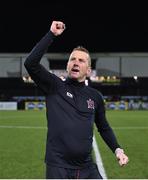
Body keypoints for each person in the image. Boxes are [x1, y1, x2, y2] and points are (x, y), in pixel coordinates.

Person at [24, 21, 129, 179]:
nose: (76, 63)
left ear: (88, 70)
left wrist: (118, 150)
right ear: (67, 66)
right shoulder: (54, 86)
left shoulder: (95, 97)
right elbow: (30, 63)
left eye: (81, 61)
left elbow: (104, 127)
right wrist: (51, 34)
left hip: (86, 167)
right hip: (58, 168)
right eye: (72, 59)